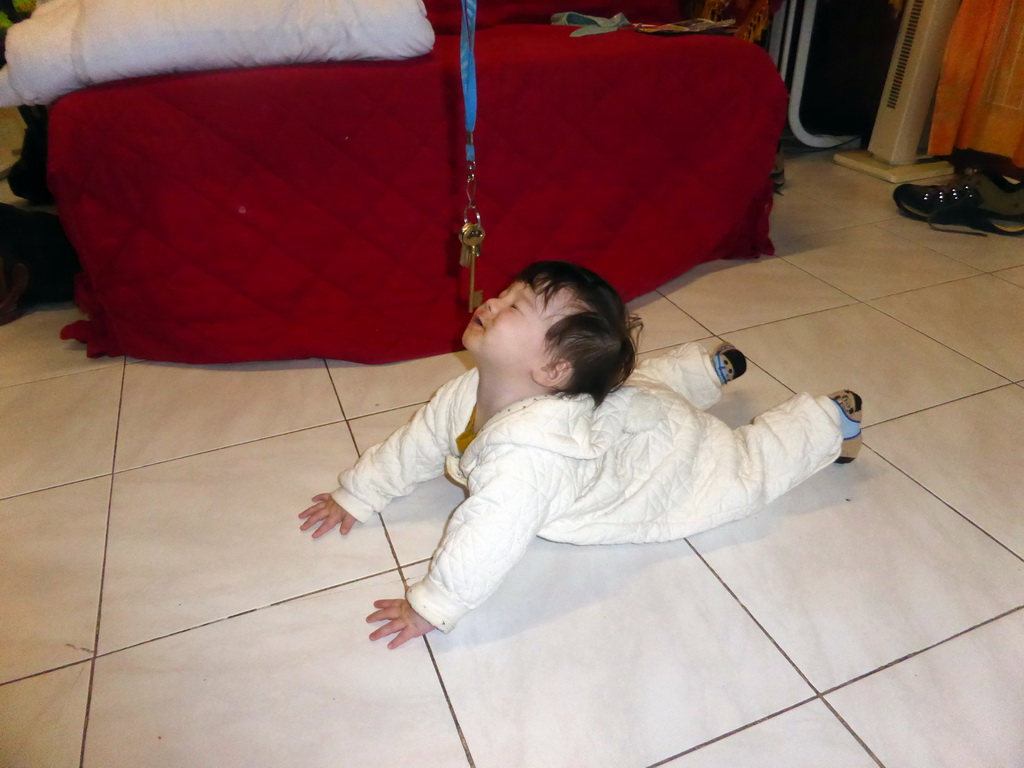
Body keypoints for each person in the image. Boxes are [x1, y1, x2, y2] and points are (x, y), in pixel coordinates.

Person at [299, 261, 863, 649]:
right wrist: (361, 492)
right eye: (508, 292)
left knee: (739, 471)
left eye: (517, 306)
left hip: (657, 460)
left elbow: (486, 539)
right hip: (625, 413)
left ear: (549, 372)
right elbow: (417, 444)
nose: (493, 301)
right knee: (638, 390)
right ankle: (705, 370)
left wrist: (433, 603)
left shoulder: (529, 462)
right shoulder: (466, 394)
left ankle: (826, 419)